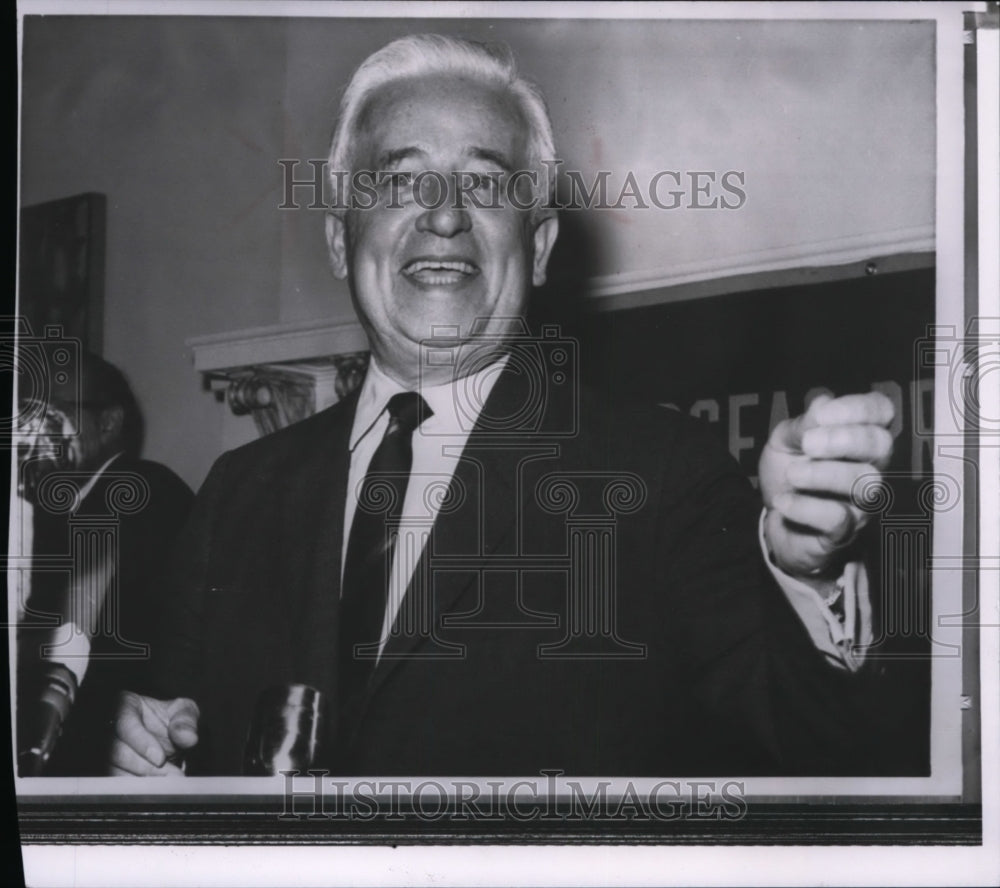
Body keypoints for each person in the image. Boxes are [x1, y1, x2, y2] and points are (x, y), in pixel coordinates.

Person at [109, 34, 913, 777]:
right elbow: (176, 744)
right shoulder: (237, 494)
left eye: (486, 184)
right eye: (399, 180)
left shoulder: (663, 476)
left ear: (538, 247)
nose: (446, 214)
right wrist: (140, 755)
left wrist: (807, 568)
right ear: (337, 240)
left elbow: (821, 752)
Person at [16, 351, 194, 775]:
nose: (35, 430)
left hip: (118, 752)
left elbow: (116, 649)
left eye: (55, 412)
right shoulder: (45, 509)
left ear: (109, 422)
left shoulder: (144, 491)